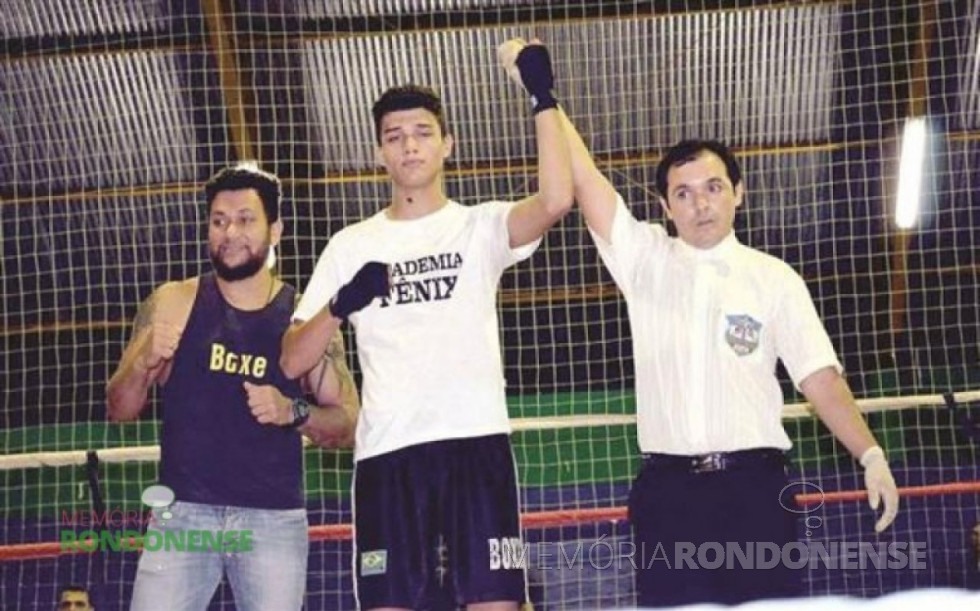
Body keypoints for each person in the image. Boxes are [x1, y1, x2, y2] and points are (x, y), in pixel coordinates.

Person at [500, 38, 900, 607]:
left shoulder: (775, 278)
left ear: (738, 192)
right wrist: (541, 92)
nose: (700, 204)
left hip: (756, 491)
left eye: (713, 187)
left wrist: (871, 454)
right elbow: (585, 181)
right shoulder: (645, 261)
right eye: (682, 194)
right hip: (667, 496)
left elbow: (819, 379)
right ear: (665, 207)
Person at [280, 44, 573, 610]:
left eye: (421, 131)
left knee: (496, 603)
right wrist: (341, 303)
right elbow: (292, 359)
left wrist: (540, 91)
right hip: (390, 455)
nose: (409, 144)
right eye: (394, 136)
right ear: (378, 152)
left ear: (447, 144)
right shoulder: (351, 244)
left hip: (476, 445)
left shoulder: (478, 226)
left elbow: (557, 199)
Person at [106, 163, 360, 610]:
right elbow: (120, 408)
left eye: (246, 219)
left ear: (274, 229)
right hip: (183, 516)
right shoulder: (174, 302)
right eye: (219, 220)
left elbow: (349, 423)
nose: (230, 232)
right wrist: (142, 362)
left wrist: (293, 412)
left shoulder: (303, 320)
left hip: (272, 520)